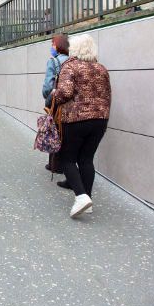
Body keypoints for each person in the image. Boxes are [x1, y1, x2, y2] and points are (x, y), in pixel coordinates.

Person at [50, 34, 111, 218]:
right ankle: (88, 199)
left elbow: (66, 93)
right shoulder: (101, 68)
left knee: (66, 158)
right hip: (100, 120)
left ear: (74, 49)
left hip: (76, 119)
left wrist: (55, 93)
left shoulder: (71, 65)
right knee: (86, 159)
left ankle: (81, 196)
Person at [41, 34, 68, 172]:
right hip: (71, 104)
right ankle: (67, 165)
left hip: (57, 102)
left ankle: (54, 164)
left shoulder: (53, 62)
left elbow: (47, 86)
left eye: (52, 45)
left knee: (54, 131)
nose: (51, 48)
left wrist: (47, 96)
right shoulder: (73, 61)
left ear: (58, 46)